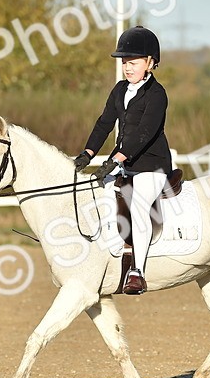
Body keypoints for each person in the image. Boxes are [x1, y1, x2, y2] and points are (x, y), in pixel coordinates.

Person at [73, 25, 172, 296]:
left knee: (139, 205)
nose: (127, 68)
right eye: (125, 63)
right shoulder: (119, 90)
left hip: (151, 164)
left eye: (133, 63)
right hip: (125, 162)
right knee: (95, 194)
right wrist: (88, 153)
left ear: (150, 63)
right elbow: (104, 122)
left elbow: (143, 134)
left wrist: (116, 158)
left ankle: (137, 272)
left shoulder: (157, 94)